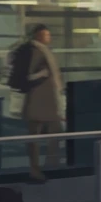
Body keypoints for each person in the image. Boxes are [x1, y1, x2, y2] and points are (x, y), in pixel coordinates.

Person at [12, 24, 62, 184]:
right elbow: (29, 75)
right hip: (38, 100)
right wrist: (42, 74)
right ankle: (36, 170)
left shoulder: (42, 50)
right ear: (39, 35)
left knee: (52, 133)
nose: (49, 38)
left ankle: (47, 166)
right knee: (36, 136)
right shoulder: (35, 51)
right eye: (46, 35)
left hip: (46, 101)